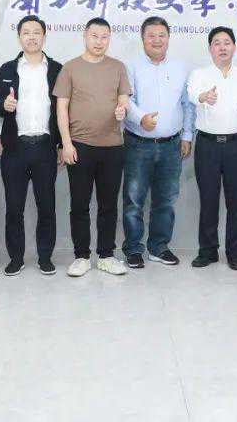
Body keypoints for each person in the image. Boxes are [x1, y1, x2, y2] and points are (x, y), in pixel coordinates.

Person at [54, 17, 132, 278]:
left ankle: (106, 256)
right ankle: (81, 257)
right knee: (79, 204)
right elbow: (61, 108)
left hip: (113, 147)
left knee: (108, 205)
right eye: (95, 36)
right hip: (80, 146)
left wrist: (122, 109)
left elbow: (123, 99)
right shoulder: (70, 68)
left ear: (110, 38)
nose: (99, 42)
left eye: (104, 37)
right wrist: (66, 143)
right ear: (85, 36)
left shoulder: (118, 67)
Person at [121, 16, 194, 269]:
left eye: (161, 35)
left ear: (168, 38)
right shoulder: (130, 66)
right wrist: (141, 118)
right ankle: (133, 249)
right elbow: (125, 100)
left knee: (166, 200)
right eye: (151, 35)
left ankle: (158, 247)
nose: (157, 40)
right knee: (134, 201)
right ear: (142, 38)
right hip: (138, 143)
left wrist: (187, 136)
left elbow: (187, 104)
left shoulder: (179, 67)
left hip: (172, 145)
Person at [0, 15, 64, 276]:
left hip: (45, 146)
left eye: (36, 32)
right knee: (14, 208)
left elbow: (64, 110)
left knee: (47, 206)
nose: (31, 37)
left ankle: (45, 257)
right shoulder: (7, 70)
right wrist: (4, 105)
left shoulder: (57, 69)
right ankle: (16, 258)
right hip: (15, 147)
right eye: (26, 32)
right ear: (19, 37)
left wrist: (61, 144)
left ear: (44, 36)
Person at [187, 26, 237, 271]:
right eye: (217, 43)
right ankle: (208, 251)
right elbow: (192, 94)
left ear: (234, 47)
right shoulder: (199, 74)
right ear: (210, 49)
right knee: (208, 200)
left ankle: (235, 252)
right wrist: (203, 97)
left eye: (227, 42)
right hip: (207, 145)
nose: (222, 47)